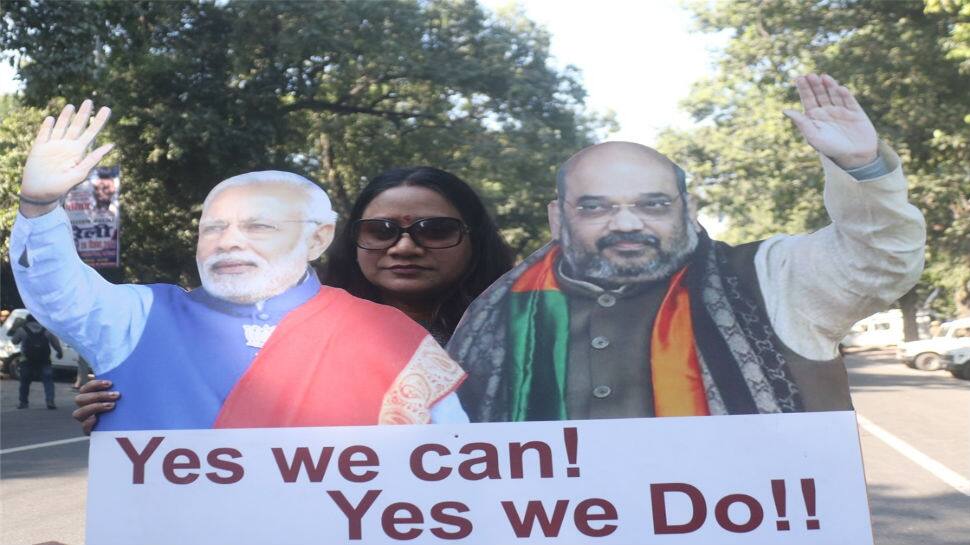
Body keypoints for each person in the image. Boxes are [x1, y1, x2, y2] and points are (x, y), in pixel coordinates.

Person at [449, 74, 926, 421]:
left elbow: (878, 260)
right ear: (558, 219)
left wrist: (863, 168)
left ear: (688, 208)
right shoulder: (496, 311)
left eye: (652, 204)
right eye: (596, 208)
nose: (627, 223)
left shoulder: (768, 278)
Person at [13, 99, 468, 431]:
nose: (228, 243)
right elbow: (57, 291)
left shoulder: (391, 336)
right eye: (213, 228)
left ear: (318, 237)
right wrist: (38, 205)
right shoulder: (140, 316)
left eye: (258, 227)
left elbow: (450, 472)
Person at [323, 166, 515, 344]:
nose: (404, 248)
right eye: (381, 231)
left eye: (435, 231)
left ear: (476, 240)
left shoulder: (522, 336)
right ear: (353, 240)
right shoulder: (314, 334)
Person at [11, 314, 63, 409]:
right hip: (44, 360)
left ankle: (23, 402)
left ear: (27, 320)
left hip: (26, 360)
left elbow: (14, 341)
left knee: (25, 382)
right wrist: (59, 352)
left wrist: (15, 329)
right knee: (48, 381)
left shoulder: (22, 329)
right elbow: (55, 343)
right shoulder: (47, 330)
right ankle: (50, 401)